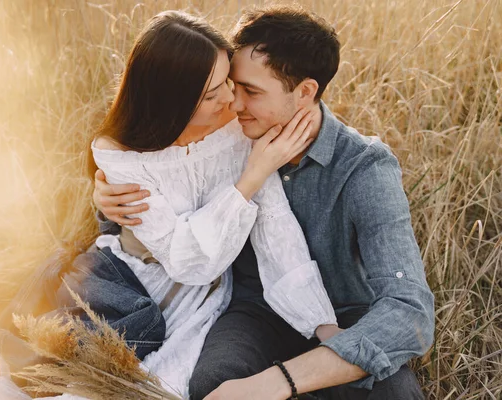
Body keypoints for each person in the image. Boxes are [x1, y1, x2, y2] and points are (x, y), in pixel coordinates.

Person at [93, 5, 435, 400]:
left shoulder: (364, 169)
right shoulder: (233, 131)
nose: (232, 104)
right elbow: (166, 170)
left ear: (305, 92)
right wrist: (104, 200)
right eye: (232, 86)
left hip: (346, 319)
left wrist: (280, 381)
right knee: (211, 384)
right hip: (256, 311)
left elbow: (409, 313)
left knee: (396, 396)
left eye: (251, 92)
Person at [86, 9, 338, 398]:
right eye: (211, 94)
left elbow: (275, 223)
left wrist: (322, 324)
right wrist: (253, 175)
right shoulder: (120, 154)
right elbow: (186, 261)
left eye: (229, 81)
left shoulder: (239, 124)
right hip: (135, 283)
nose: (231, 100)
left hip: (205, 293)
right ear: (172, 102)